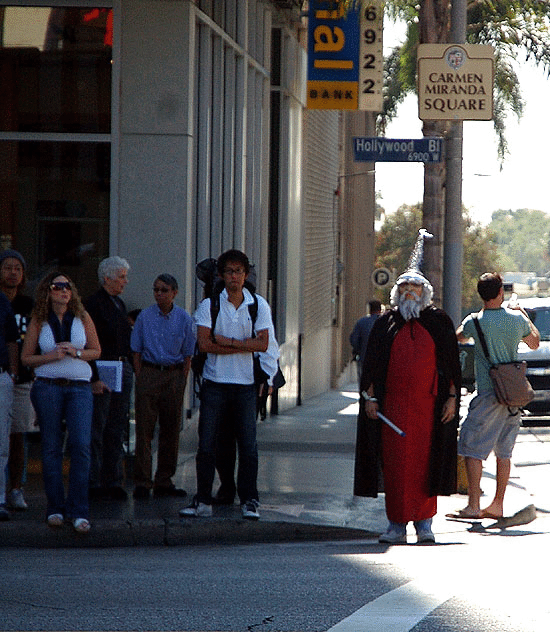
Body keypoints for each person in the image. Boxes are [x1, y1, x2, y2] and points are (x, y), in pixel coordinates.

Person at [354, 230, 461, 544]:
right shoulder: (385, 324)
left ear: (425, 292)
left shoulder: (439, 322)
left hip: (429, 410)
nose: (410, 292)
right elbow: (372, 366)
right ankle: (396, 526)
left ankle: (425, 524)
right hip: (393, 410)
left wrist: (452, 398)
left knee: (428, 464)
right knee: (397, 467)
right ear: (397, 292)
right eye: (405, 287)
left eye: (415, 287)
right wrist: (371, 399)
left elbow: (451, 366)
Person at [180, 249, 274, 520]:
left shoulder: (258, 305)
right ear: (221, 275)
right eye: (229, 271)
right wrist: (243, 346)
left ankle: (249, 500)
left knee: (248, 445)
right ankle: (203, 500)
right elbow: (205, 344)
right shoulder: (210, 305)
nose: (234, 277)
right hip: (215, 384)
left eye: (239, 271)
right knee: (207, 444)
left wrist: (228, 342)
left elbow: (264, 343)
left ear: (246, 275)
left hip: (245, 385)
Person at [456, 273, 540, 519]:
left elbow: (459, 336)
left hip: (487, 393)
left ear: (481, 295)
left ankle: (473, 505)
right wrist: (524, 315)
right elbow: (534, 343)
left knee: (472, 449)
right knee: (504, 453)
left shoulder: (475, 321)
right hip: (512, 396)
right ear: (501, 292)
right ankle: (497, 504)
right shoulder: (516, 319)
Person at [21, 272, 101, 533]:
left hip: (78, 387)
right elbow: (26, 358)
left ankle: (79, 510)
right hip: (48, 387)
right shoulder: (39, 319)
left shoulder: (82, 315)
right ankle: (55, 507)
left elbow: (96, 350)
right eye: (58, 286)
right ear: (48, 290)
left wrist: (76, 353)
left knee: (80, 445)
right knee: (51, 448)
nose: (64, 291)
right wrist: (52, 356)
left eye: (68, 286)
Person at [131, 274, 195, 499]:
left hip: (173, 374)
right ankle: (142, 481)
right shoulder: (144, 317)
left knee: (170, 430)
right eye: (156, 289)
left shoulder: (184, 319)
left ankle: (164, 480)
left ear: (174, 293)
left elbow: (188, 355)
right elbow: (136, 351)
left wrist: (181, 379)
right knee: (144, 430)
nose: (159, 294)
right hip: (149, 372)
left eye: (164, 290)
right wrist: (141, 376)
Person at [85, 256, 133, 501]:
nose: (125, 281)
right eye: (122, 276)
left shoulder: (119, 304)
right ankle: (92, 480)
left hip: (121, 365)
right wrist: (93, 375)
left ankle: (112, 479)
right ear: (108, 278)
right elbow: (89, 342)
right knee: (98, 425)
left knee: (116, 426)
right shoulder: (92, 305)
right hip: (103, 365)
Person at [0, 250, 35, 511]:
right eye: (8, 267)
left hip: (23, 380)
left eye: (18, 269)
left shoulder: (28, 305)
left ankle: (16, 488)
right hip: (2, 375)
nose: (13, 272)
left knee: (17, 436)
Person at [0, 290, 19, 521]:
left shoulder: (2, 301)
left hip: (2, 375)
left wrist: (13, 374)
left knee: (1, 441)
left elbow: (12, 339)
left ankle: (0, 499)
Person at [350, 300, 382, 384]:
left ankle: (364, 395)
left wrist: (358, 350)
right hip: (381, 360)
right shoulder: (386, 322)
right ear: (380, 309)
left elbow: (354, 339)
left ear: (369, 309)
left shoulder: (361, 322)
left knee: (363, 381)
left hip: (364, 357)